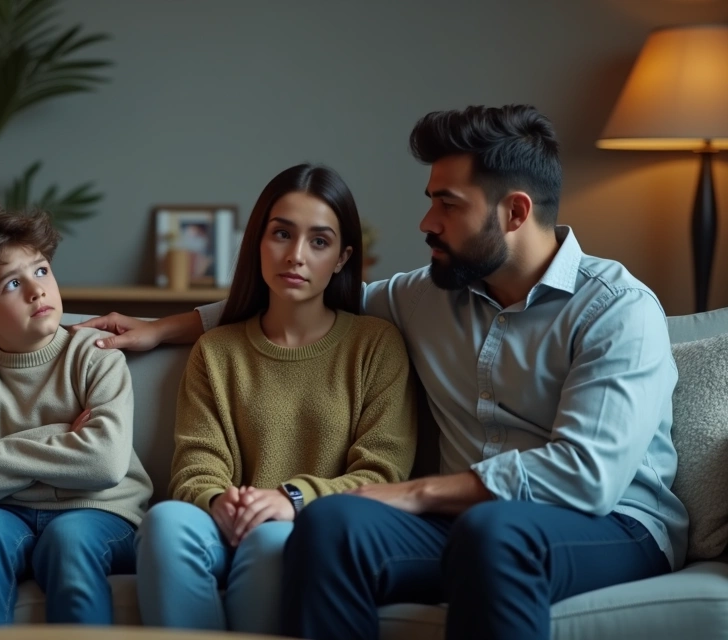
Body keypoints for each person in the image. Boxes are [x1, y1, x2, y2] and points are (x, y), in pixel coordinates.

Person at [74, 105, 687, 640]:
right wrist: (161, 329)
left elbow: (587, 477)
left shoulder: (616, 309)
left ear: (514, 212)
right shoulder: (426, 296)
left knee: (496, 534)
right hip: (467, 524)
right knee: (335, 522)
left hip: (612, 526)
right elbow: (302, 296)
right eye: (430, 202)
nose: (426, 223)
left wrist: (415, 492)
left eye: (448, 205)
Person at [135, 164, 417, 634]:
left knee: (272, 539)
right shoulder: (217, 350)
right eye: (281, 234)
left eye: (319, 241)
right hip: (222, 525)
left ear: (343, 258)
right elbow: (195, 465)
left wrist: (292, 499)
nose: (296, 256)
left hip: (304, 528)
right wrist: (217, 500)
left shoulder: (375, 345)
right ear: (258, 243)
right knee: (165, 522)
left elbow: (383, 472)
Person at [0, 210, 153, 625]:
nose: (36, 290)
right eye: (13, 283)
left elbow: (104, 463)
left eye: (42, 270)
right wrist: (64, 434)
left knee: (69, 541)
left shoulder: (95, 354)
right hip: (5, 514)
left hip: (102, 512)